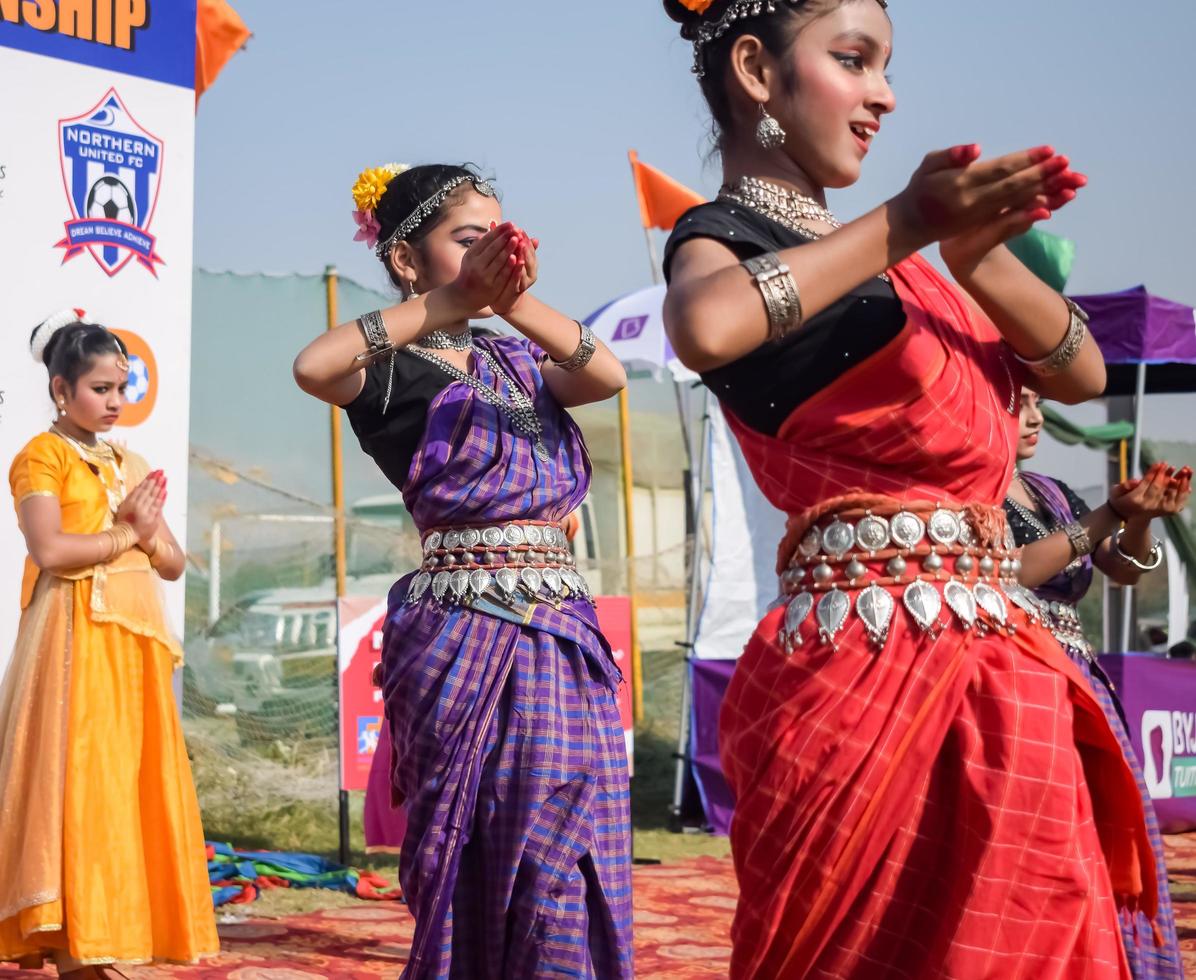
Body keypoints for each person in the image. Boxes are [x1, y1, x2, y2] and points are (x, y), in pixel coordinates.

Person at [661, 1, 1158, 976]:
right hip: (855, 673)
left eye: (884, 66)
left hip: (1001, 679)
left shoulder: (906, 271)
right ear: (756, 69)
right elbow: (707, 327)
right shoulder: (724, 238)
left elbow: (1077, 373)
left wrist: (969, 253)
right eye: (853, 61)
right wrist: (906, 220)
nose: (883, 95)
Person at [294, 163, 633, 978]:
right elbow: (314, 366)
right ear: (407, 259)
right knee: (479, 831)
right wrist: (446, 306)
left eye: (500, 239)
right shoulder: (390, 369)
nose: (490, 253)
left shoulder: (515, 359)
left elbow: (606, 375)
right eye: (468, 240)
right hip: (460, 634)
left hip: (558, 631)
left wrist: (511, 303)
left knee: (567, 825)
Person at [0, 311, 219, 977]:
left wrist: (147, 534)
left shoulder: (133, 461)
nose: (116, 402)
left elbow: (174, 563)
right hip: (73, 639)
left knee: (128, 785)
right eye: (100, 388)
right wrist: (128, 534)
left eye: (121, 387)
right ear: (62, 390)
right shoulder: (44, 456)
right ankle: (71, 944)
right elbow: (51, 549)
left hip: (135, 647)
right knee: (78, 784)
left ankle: (113, 931)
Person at [1006, 387, 1191, 979]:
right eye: (1020, 404)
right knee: (1047, 842)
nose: (1037, 418)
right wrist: (1109, 514)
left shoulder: (1052, 492)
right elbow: (1021, 569)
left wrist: (1137, 520)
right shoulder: (964, 494)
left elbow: (1125, 570)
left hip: (1081, 683)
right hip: (1018, 678)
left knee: (1106, 836)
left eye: (1038, 403)